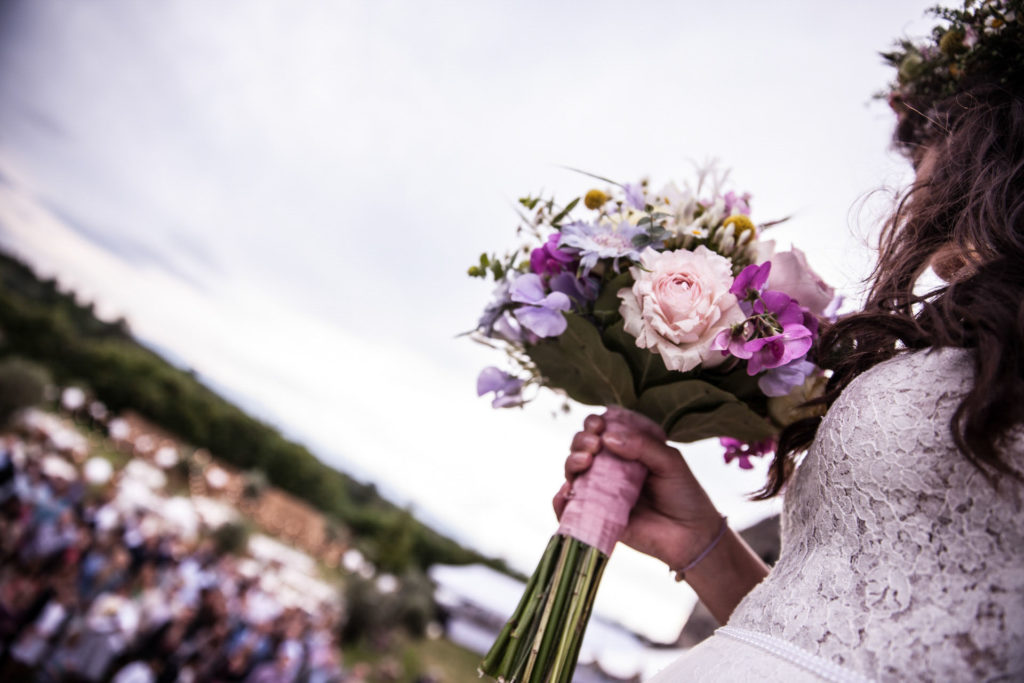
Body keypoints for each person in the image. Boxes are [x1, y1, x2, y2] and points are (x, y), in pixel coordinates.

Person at [554, 2, 1024, 680]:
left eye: (931, 156)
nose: (916, 197)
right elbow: (832, 628)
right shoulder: (963, 337)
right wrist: (701, 541)